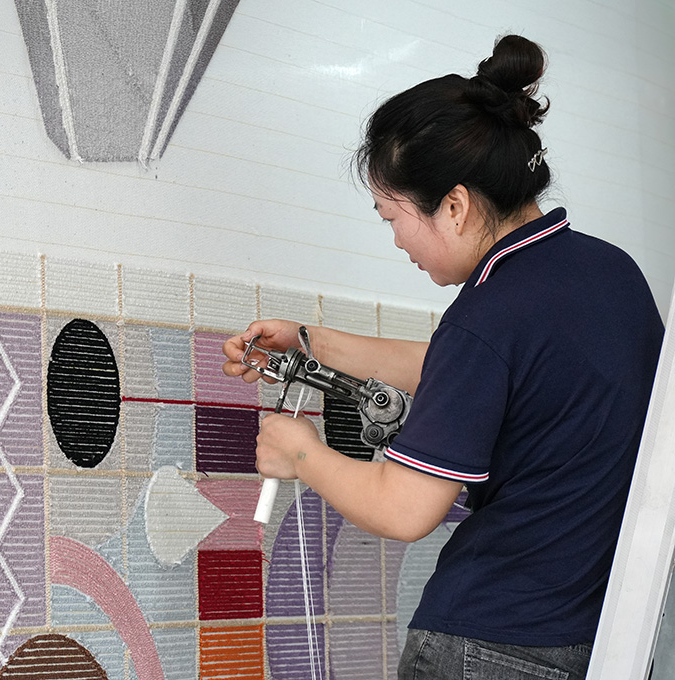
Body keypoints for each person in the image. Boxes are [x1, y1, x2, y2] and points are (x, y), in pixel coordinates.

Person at [222, 35, 664, 680]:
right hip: (607, 637)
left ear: (453, 205)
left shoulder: (485, 313)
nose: (398, 241)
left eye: (391, 217)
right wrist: (311, 341)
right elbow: (483, 372)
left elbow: (406, 509)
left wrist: (301, 454)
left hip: (490, 642)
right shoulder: (610, 274)